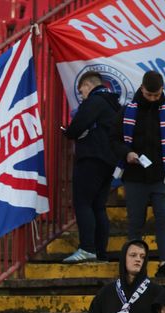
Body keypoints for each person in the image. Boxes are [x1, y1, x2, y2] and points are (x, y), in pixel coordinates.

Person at [109, 70, 165, 278]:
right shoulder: (127, 111)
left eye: (157, 95)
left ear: (162, 90)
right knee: (136, 221)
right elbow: (114, 140)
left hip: (163, 175)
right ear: (142, 89)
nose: (154, 99)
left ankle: (164, 262)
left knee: (163, 218)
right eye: (149, 95)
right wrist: (127, 153)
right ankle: (134, 266)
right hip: (135, 176)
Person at [62, 70, 121, 263]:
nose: (82, 96)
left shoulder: (95, 101)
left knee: (83, 203)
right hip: (109, 161)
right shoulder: (114, 105)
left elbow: (76, 127)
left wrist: (67, 131)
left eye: (81, 91)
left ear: (88, 85)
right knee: (98, 206)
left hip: (91, 158)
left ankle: (87, 247)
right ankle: (100, 252)